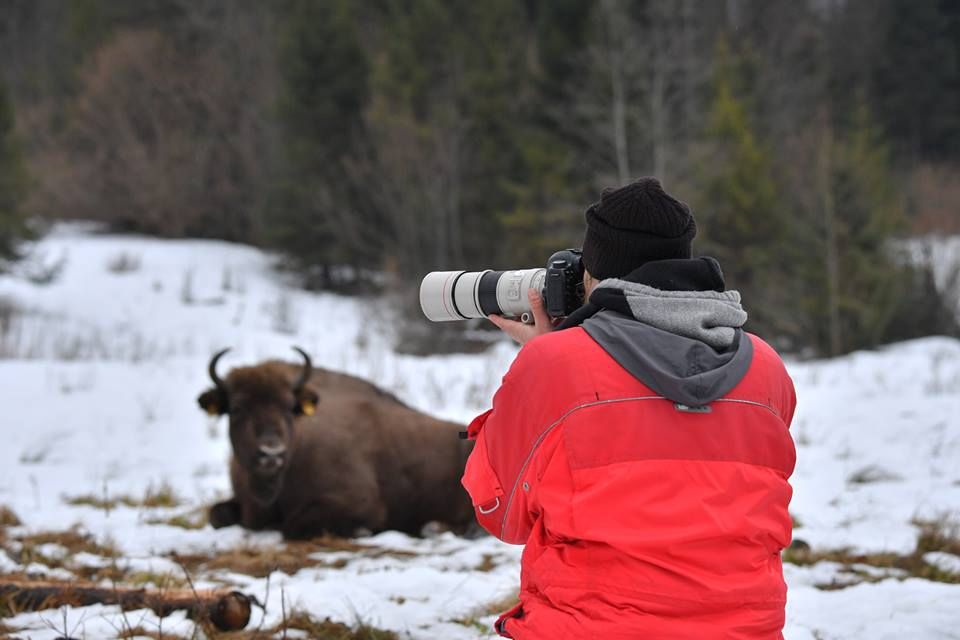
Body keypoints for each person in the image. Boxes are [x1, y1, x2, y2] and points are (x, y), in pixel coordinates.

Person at [461, 178, 797, 639]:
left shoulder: (554, 365)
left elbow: (500, 513)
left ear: (591, 271)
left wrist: (546, 362)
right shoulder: (764, 366)